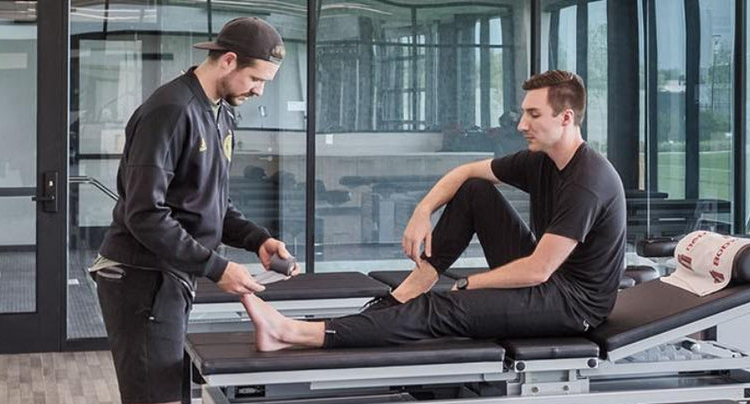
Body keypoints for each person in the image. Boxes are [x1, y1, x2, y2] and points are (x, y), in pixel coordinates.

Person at [92, 18, 295, 404]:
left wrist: (255, 238)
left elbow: (209, 202)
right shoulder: (171, 110)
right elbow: (144, 214)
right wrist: (217, 267)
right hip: (141, 279)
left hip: (162, 278)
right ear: (228, 61)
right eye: (257, 77)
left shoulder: (216, 112)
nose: (261, 91)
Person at [241, 70, 626, 354]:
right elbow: (466, 172)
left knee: (441, 308)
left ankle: (293, 333)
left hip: (572, 304)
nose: (522, 124)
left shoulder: (587, 180)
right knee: (475, 189)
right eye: (523, 113)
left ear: (566, 117)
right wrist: (422, 211)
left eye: (534, 115)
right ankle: (412, 288)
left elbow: (538, 269)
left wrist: (468, 284)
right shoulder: (541, 160)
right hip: (548, 278)